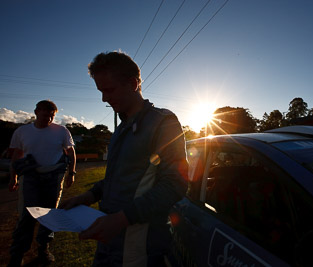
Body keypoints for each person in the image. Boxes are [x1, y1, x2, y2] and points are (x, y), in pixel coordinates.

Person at [61, 51, 188, 266]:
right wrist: (88, 196)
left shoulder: (163, 122)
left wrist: (122, 219)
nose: (104, 98)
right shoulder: (121, 127)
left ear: (133, 83)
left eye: (109, 90)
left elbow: (175, 184)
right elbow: (117, 176)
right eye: (100, 91)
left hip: (139, 244)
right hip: (110, 237)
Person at [7, 100, 76, 266]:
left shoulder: (61, 131)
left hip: (53, 178)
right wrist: (13, 177)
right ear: (37, 112)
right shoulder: (22, 131)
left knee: (49, 214)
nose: (49, 119)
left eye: (52, 116)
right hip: (30, 178)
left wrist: (71, 173)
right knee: (27, 215)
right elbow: (17, 155)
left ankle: (43, 249)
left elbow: (71, 151)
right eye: (46, 115)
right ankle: (17, 254)